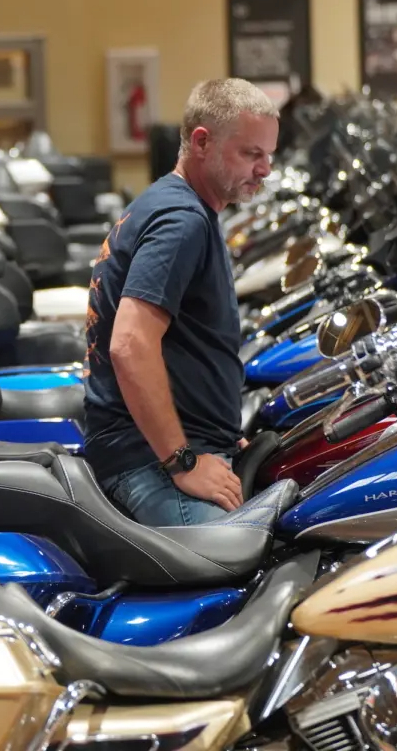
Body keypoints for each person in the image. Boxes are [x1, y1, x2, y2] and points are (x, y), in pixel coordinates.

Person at [83, 78, 279, 526]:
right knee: (249, 565)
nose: (265, 169)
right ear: (202, 142)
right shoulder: (182, 220)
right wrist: (182, 460)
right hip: (148, 463)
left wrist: (220, 432)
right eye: (251, 153)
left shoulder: (172, 203)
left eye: (269, 154)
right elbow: (130, 345)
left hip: (167, 448)